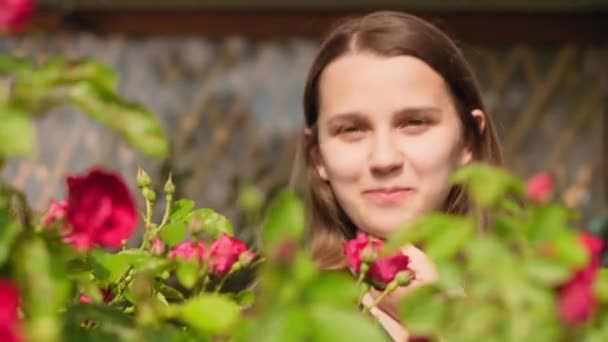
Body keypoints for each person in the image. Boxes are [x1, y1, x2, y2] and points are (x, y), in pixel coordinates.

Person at [301, 11, 503, 340]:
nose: (384, 159)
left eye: (414, 123)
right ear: (319, 156)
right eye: (351, 129)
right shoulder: (278, 320)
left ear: (468, 139)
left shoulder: (547, 310)